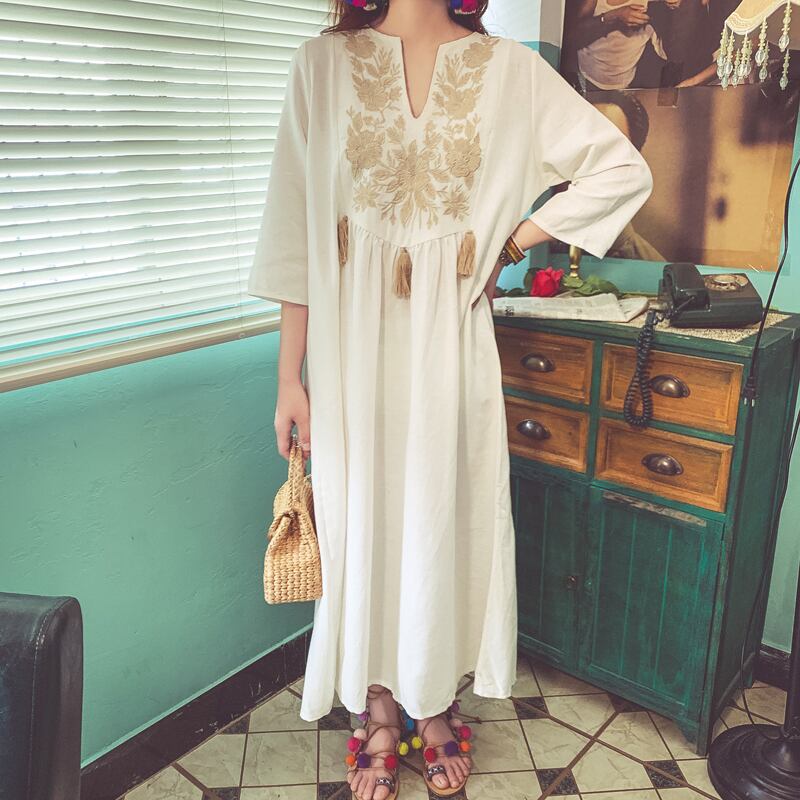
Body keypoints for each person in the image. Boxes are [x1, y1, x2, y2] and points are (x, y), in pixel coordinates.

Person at [247, 0, 652, 798]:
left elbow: (621, 170)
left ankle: (432, 703)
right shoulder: (320, 68)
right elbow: (294, 231)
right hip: (349, 355)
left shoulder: (510, 72)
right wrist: (289, 377)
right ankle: (377, 706)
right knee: (361, 521)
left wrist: (511, 240)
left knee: (440, 519)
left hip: (450, 349)